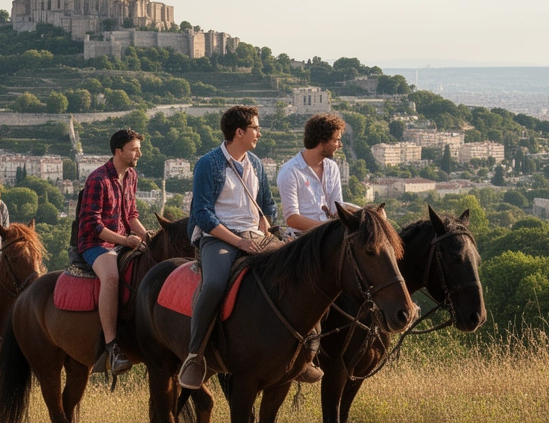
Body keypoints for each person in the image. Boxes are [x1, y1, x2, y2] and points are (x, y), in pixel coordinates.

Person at [180, 105, 323, 389]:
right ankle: (195, 355)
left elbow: (267, 204)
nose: (259, 133)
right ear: (239, 132)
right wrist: (239, 242)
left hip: (255, 235)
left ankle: (305, 353)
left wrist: (264, 224)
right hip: (218, 238)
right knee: (214, 285)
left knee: (300, 271)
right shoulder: (208, 163)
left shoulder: (255, 163)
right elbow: (202, 214)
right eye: (255, 128)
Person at [75, 128, 150, 375]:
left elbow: (131, 215)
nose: (139, 153)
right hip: (95, 244)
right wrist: (125, 240)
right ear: (119, 151)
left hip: (122, 240)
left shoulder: (131, 176)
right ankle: (112, 346)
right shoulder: (97, 179)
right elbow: (92, 225)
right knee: (111, 277)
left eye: (138, 148)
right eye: (134, 149)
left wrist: (147, 237)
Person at [277, 113, 353, 238]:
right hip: (302, 238)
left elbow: (336, 207)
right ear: (322, 141)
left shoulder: (332, 167)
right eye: (336, 140)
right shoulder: (290, 171)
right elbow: (292, 218)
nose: (339, 145)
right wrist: (326, 228)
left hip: (328, 236)